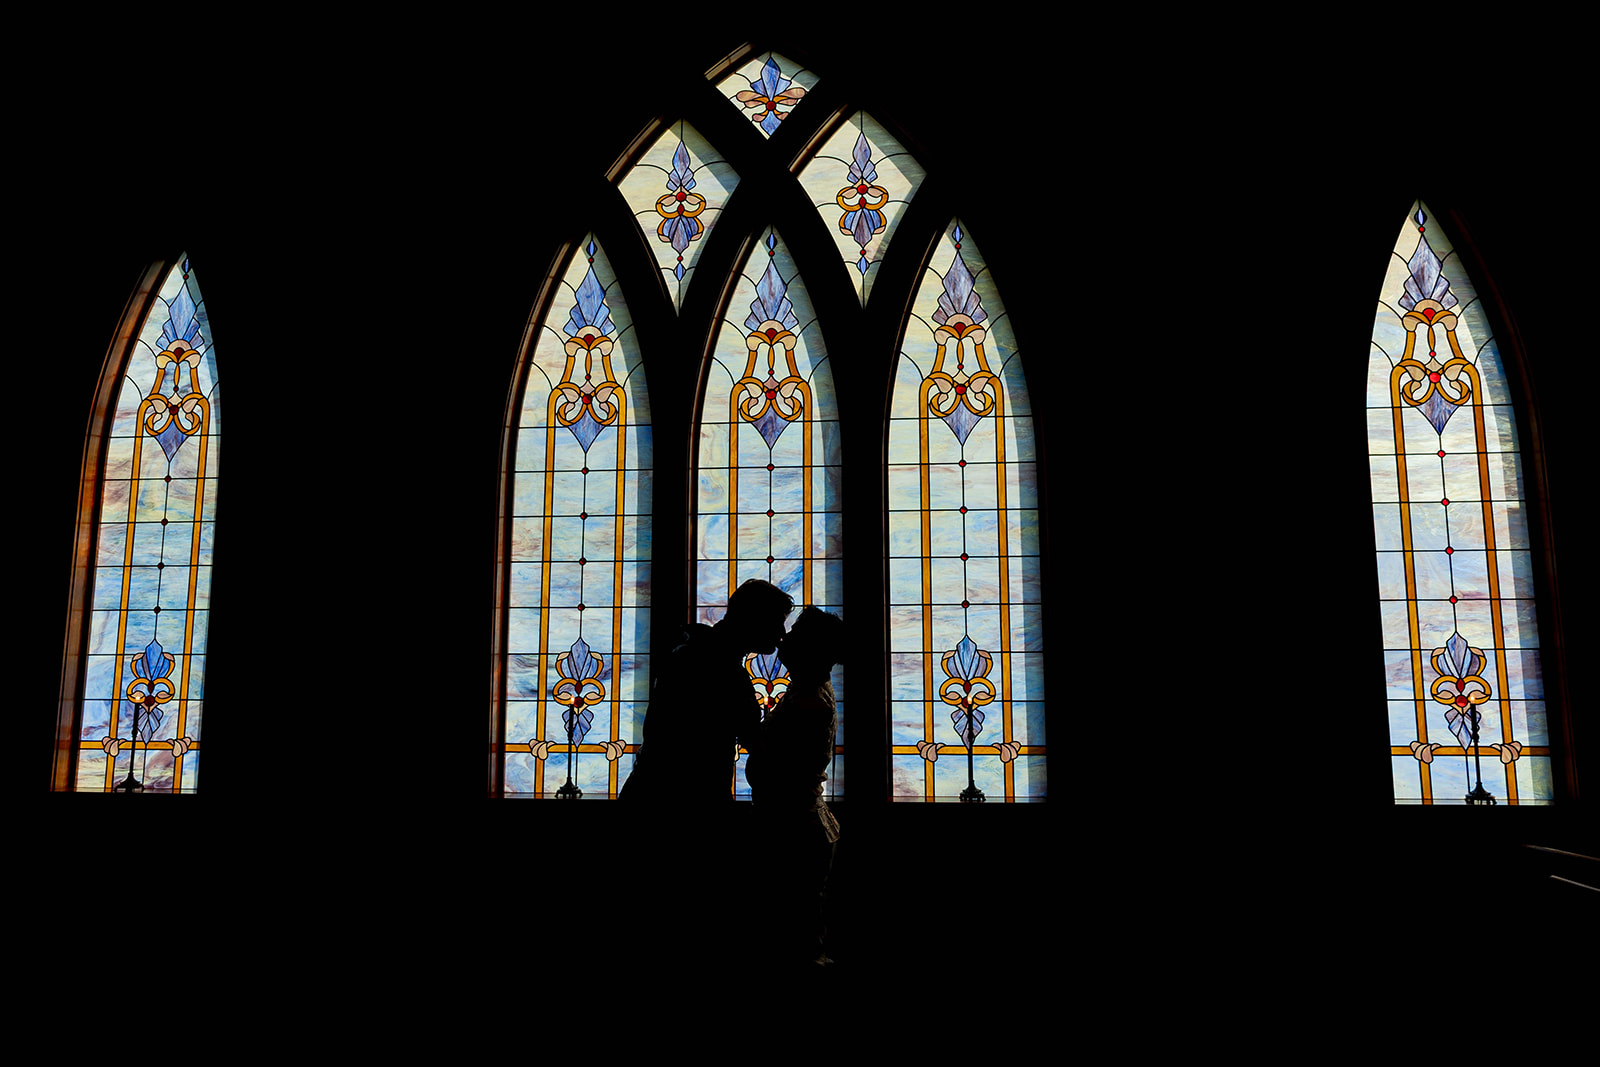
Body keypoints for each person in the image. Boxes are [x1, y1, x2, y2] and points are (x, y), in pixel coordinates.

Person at [618, 578, 793, 803]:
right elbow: (757, 744)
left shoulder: (688, 650)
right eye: (777, 622)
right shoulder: (727, 673)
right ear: (754, 620)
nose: (782, 633)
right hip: (692, 801)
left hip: (647, 792)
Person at [743, 605, 845, 967]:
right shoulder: (807, 691)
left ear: (811, 649)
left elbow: (770, 756)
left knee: (796, 936)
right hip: (799, 823)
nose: (784, 640)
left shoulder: (808, 702)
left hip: (794, 829)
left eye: (795, 635)